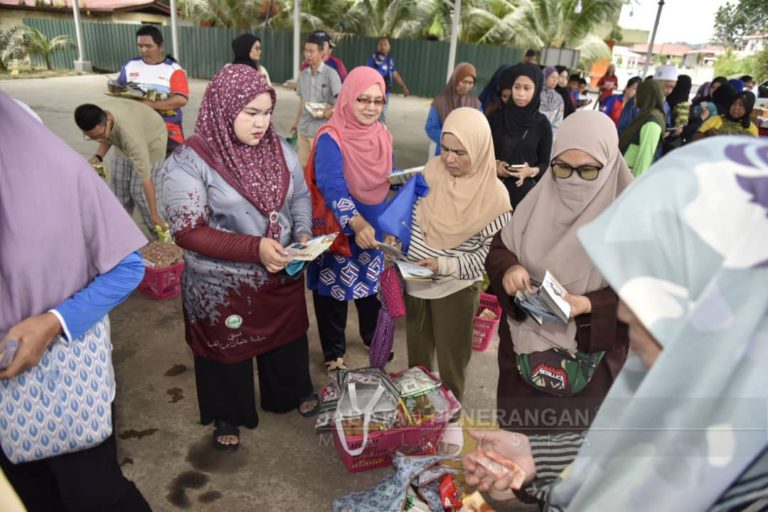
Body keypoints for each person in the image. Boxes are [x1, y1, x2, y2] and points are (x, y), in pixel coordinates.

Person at [464, 137, 768, 512]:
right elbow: (634, 445)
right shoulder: (699, 398)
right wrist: (537, 458)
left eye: (653, 293)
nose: (623, 313)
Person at [0, 91, 151, 511]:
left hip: (61, 390)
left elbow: (127, 266)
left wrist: (51, 323)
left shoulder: (53, 169)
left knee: (91, 493)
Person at [163, 65, 317, 450]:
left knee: (286, 337)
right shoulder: (189, 161)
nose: (261, 123)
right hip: (221, 283)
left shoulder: (279, 148)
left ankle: (286, 392)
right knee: (226, 347)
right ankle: (228, 414)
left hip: (279, 269)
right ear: (223, 108)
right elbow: (188, 231)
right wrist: (255, 248)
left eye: (267, 112)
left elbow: (298, 196)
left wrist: (302, 233)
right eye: (250, 113)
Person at [484, 110, 632, 435]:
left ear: (609, 166)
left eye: (589, 170)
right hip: (524, 352)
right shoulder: (536, 202)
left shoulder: (632, 222)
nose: (573, 180)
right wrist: (510, 268)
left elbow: (646, 298)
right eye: (563, 167)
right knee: (516, 448)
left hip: (587, 366)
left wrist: (589, 304)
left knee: (564, 454)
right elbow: (499, 248)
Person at [404, 107, 512, 404]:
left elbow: (488, 256)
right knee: (418, 359)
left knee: (452, 364)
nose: (449, 159)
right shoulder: (431, 170)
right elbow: (412, 214)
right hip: (416, 280)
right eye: (445, 148)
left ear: (479, 150)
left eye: (460, 152)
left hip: (455, 289)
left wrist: (443, 264)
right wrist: (398, 241)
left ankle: (449, 417)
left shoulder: (495, 197)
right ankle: (420, 414)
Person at [306, 67, 393, 373]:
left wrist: (389, 223)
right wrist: (355, 223)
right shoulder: (332, 136)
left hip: (373, 228)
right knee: (334, 293)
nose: (371, 107)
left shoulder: (383, 134)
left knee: (371, 289)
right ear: (347, 98)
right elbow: (332, 187)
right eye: (363, 99)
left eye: (378, 100)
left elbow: (383, 182)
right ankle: (334, 351)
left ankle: (371, 337)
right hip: (340, 230)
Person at [75, 100, 167, 235]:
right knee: (119, 189)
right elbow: (107, 137)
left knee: (139, 192)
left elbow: (146, 179)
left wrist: (154, 214)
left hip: (151, 140)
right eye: (92, 138)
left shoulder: (131, 137)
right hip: (125, 139)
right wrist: (98, 157)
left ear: (108, 120)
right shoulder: (101, 117)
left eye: (100, 136)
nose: (99, 140)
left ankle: (161, 234)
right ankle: (121, 234)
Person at [116, 25, 189, 155]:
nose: (143, 50)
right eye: (140, 46)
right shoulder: (130, 65)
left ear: (161, 46)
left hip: (168, 131)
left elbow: (181, 99)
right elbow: (118, 90)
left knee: (169, 171)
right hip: (135, 130)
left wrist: (151, 104)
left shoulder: (173, 69)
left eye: (148, 46)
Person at [487, 63, 552, 209]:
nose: (520, 93)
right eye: (516, 87)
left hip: (522, 196)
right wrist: (494, 164)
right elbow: (480, 152)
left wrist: (531, 171)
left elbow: (545, 163)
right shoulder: (496, 118)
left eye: (527, 88)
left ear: (536, 90)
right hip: (491, 190)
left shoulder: (542, 124)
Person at [290, 32, 342, 169]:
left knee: (319, 167)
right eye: (306, 51)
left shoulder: (331, 74)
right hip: (304, 128)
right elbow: (301, 103)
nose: (307, 54)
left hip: (322, 131)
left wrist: (330, 111)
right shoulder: (303, 76)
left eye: (311, 51)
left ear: (321, 53)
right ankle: (305, 190)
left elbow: (341, 101)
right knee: (303, 166)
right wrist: (296, 123)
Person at [425, 63, 481, 156]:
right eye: (464, 82)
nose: (467, 86)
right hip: (442, 151)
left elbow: (480, 128)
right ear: (455, 80)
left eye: (470, 83)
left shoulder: (475, 104)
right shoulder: (440, 102)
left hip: (466, 153)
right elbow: (431, 128)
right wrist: (452, 139)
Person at [619, 80, 666, 177]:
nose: (635, 98)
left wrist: (634, 186)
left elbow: (645, 157)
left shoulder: (651, 122)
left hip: (630, 176)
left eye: (638, 95)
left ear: (645, 97)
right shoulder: (645, 116)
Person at [366, 36, 410, 123]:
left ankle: (380, 130)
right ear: (377, 46)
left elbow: (395, 74)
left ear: (389, 46)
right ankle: (380, 131)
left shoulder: (390, 59)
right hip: (376, 91)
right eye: (380, 44)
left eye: (385, 44)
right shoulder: (373, 59)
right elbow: (368, 73)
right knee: (377, 113)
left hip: (386, 92)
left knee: (383, 113)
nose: (383, 46)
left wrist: (403, 87)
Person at [694, 91, 758, 138]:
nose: (736, 108)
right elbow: (694, 137)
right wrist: (706, 134)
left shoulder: (751, 128)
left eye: (741, 105)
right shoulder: (716, 119)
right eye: (734, 103)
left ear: (748, 109)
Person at [539, 66, 564, 138]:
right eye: (552, 77)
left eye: (557, 78)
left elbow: (558, 122)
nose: (555, 80)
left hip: (549, 136)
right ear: (544, 76)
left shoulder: (558, 99)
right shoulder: (535, 94)